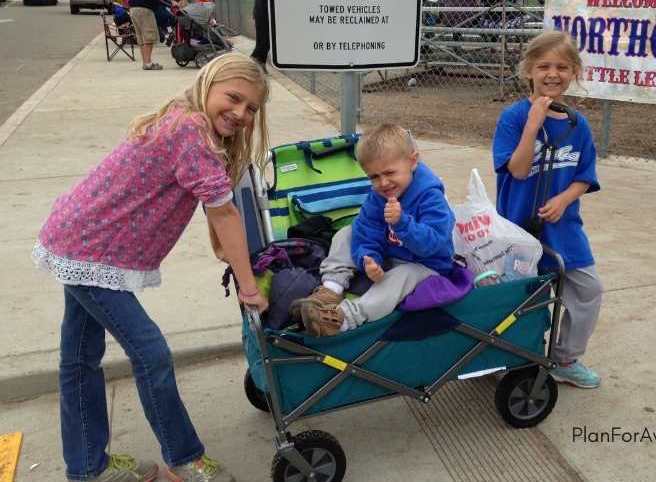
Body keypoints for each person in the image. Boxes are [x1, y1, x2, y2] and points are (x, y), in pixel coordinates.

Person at [31, 53, 270, 482]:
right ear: (207, 85)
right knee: (151, 353)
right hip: (91, 250)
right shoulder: (190, 130)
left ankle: (87, 467)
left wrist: (221, 246)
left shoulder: (187, 123)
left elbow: (211, 201)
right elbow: (225, 213)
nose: (240, 113)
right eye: (233, 98)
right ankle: (184, 457)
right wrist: (248, 287)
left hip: (82, 240)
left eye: (251, 108)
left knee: (80, 358)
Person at [492, 30, 603, 389]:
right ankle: (513, 356)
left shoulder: (578, 124)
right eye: (543, 66)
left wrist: (564, 198)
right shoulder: (513, 117)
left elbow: (584, 176)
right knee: (525, 301)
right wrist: (533, 125)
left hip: (564, 228)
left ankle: (565, 358)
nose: (552, 74)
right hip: (519, 231)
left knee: (588, 290)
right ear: (528, 70)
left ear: (574, 72)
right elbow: (519, 169)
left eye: (562, 67)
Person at [290, 124, 456, 337]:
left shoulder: (431, 198)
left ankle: (342, 319)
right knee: (347, 233)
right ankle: (331, 289)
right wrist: (370, 260)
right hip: (390, 257)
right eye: (374, 177)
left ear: (413, 162)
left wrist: (402, 223)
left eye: (389, 173)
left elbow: (430, 243)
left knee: (403, 275)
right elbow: (367, 233)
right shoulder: (377, 198)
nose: (383, 183)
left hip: (426, 267)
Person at [127, 0, 174, 70]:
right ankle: (148, 63)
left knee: (141, 38)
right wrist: (169, 3)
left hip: (133, 9)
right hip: (144, 9)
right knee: (149, 35)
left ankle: (145, 62)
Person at [250, 0, 270, 66]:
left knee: (266, 44)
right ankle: (250, 65)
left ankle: (261, 65)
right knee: (262, 45)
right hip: (263, 18)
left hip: (263, 17)